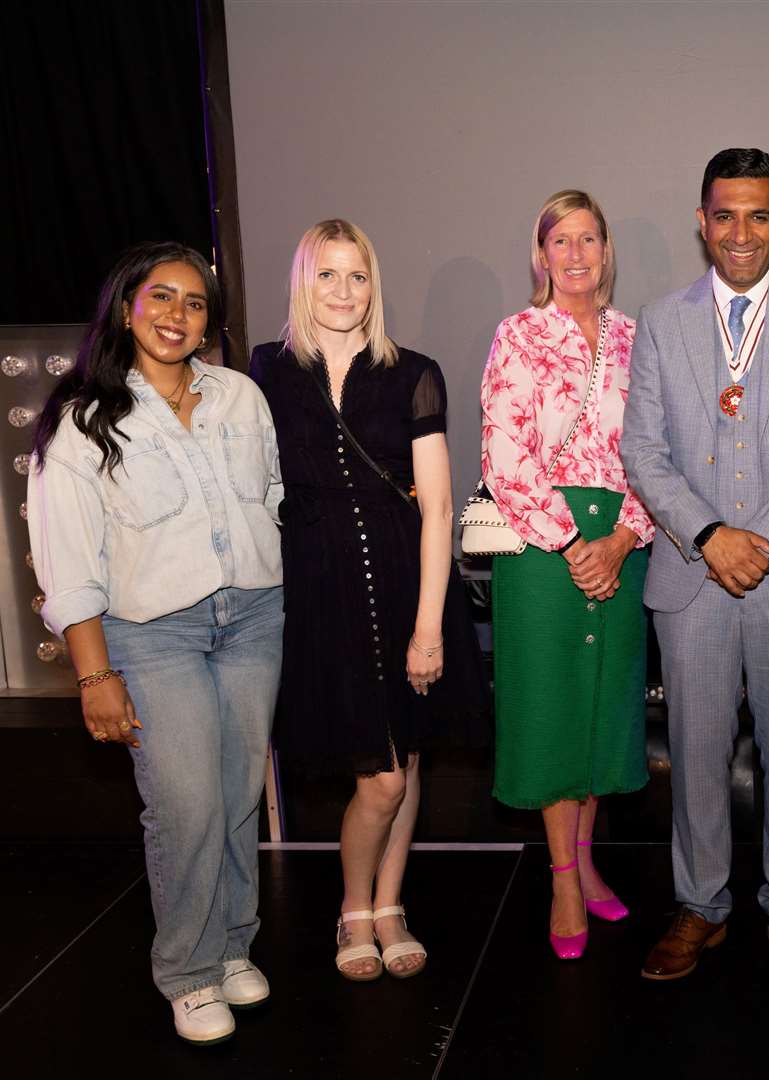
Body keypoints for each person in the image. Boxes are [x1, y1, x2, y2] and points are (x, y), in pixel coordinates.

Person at [27, 242, 284, 1044]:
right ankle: (187, 969)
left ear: (211, 319)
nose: (178, 315)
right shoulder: (82, 416)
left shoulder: (240, 396)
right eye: (161, 297)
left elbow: (270, 496)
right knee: (185, 803)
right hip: (151, 633)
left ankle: (232, 944)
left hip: (252, 618)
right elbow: (66, 561)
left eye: (195, 302)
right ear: (126, 307)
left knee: (239, 793)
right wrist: (93, 673)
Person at [621, 148, 769, 989]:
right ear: (701, 221)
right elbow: (642, 451)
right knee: (693, 751)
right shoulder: (660, 319)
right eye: (724, 215)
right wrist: (708, 534)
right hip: (692, 575)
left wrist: (758, 540)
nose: (741, 233)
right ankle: (698, 904)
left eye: (759, 215)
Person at [251, 219, 484, 982]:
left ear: (372, 285)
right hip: (322, 590)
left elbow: (439, 509)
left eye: (357, 276)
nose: (344, 291)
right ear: (303, 283)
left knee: (406, 759)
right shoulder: (266, 373)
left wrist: (428, 628)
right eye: (327, 275)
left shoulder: (412, 371)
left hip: (406, 579)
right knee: (378, 774)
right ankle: (354, 906)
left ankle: (389, 905)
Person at [481, 190, 655, 960]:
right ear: (541, 254)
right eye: (562, 241)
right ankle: (558, 877)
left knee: (599, 710)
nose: (577, 254)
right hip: (539, 549)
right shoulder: (517, 333)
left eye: (590, 239)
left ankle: (585, 864)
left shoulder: (634, 338)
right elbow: (504, 457)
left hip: (623, 539)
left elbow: (662, 450)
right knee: (552, 710)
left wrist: (622, 538)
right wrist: (571, 542)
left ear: (606, 250)